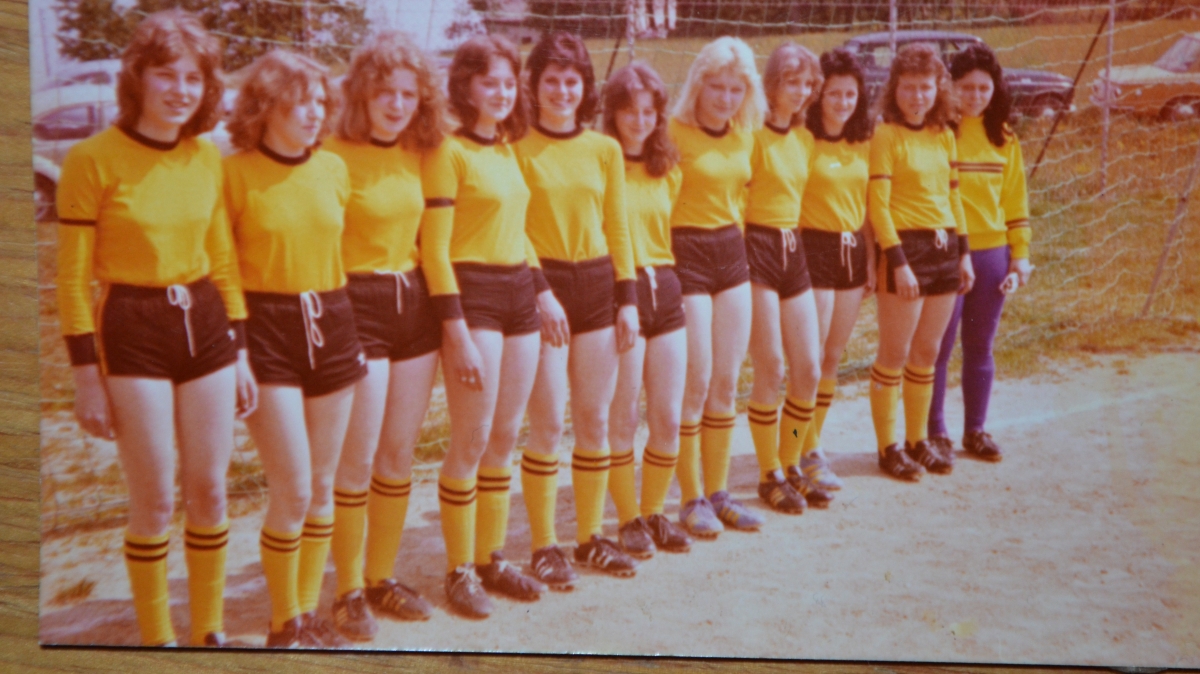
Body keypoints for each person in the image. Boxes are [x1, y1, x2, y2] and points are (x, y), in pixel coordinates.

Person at [55, 9, 254, 648]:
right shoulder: (91, 159)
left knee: (210, 491)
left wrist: (240, 350)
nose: (180, 90)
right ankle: (158, 639)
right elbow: (72, 281)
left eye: (193, 78)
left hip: (206, 323)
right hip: (133, 327)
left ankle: (209, 631)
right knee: (155, 500)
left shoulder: (206, 157)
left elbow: (222, 259)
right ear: (137, 78)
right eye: (166, 75)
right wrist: (87, 377)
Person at [224, 49, 366, 647]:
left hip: (331, 319)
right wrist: (236, 349)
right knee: (294, 487)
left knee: (324, 482)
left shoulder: (333, 168)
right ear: (265, 106)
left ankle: (308, 614)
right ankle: (284, 622)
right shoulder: (233, 173)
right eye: (299, 102)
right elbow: (221, 268)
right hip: (265, 330)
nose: (313, 113)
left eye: (319, 102)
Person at [420, 34, 548, 618]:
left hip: (520, 294)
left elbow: (517, 230)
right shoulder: (447, 152)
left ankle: (491, 557)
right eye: (489, 82)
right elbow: (434, 251)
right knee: (470, 439)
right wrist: (457, 332)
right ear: (466, 86)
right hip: (474, 298)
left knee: (504, 436)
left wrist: (543, 291)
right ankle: (459, 569)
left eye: (508, 82)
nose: (501, 92)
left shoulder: (507, 147)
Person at [323, 31, 445, 641]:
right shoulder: (331, 154)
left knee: (398, 452)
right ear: (361, 95)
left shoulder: (422, 153)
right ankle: (346, 590)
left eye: (408, 94)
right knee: (357, 455)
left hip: (413, 307)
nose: (397, 105)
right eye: (384, 93)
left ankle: (381, 577)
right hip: (356, 307)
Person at [516, 31, 640, 586]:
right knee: (547, 422)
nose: (562, 91)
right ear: (534, 84)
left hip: (596, 285)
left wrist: (627, 298)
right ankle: (544, 545)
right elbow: (513, 228)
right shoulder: (516, 146)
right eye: (552, 80)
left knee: (594, 419)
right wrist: (540, 290)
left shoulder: (604, 149)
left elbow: (618, 225)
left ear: (585, 86)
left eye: (572, 81)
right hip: (542, 289)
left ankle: (590, 538)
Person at [668, 36, 765, 536]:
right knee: (696, 380)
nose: (726, 98)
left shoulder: (745, 136)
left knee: (726, 381)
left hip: (731, 255)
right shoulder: (672, 133)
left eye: (736, 89)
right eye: (717, 88)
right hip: (686, 255)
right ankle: (690, 498)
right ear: (698, 85)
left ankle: (720, 492)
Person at [867, 43, 975, 482]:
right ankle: (887, 447)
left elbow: (953, 197)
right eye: (909, 87)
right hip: (905, 251)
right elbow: (878, 205)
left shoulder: (944, 134)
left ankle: (917, 441)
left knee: (927, 352)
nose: (917, 96)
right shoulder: (886, 135)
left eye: (925, 87)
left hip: (943, 248)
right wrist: (898, 262)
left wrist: (964, 253)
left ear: (938, 89)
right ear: (895, 89)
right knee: (894, 353)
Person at [602, 62, 694, 558]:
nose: (639, 121)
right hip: (623, 293)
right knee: (623, 416)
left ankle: (655, 510)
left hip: (666, 288)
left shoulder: (667, 168)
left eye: (648, 112)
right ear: (613, 114)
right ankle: (627, 518)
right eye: (629, 111)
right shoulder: (602, 163)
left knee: (667, 416)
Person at [927, 44, 1032, 463]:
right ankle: (934, 431)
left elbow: (1016, 202)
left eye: (983, 88)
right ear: (950, 87)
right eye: (966, 87)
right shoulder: (939, 133)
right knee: (937, 347)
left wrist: (1019, 255)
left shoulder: (1004, 138)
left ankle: (976, 429)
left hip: (991, 257)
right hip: (948, 253)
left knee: (980, 346)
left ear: (995, 89)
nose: (974, 96)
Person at [743, 42, 831, 515]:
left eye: (807, 84)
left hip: (792, 251)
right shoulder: (751, 136)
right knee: (771, 367)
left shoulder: (805, 140)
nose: (800, 92)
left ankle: (791, 458)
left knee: (809, 369)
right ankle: (768, 473)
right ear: (772, 85)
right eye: (791, 82)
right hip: (755, 249)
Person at [798, 48, 877, 490]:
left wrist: (872, 260)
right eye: (834, 94)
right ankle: (802, 447)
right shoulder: (803, 141)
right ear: (818, 95)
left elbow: (866, 209)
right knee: (808, 361)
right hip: (814, 250)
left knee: (831, 357)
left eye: (850, 94)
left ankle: (810, 442)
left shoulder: (863, 142)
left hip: (852, 254)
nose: (843, 102)